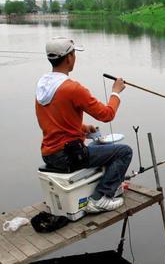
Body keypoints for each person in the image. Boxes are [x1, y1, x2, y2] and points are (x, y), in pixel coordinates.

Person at [35, 36, 132, 214]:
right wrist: (116, 92)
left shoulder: (43, 86)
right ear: (70, 57)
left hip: (49, 154)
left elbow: (50, 122)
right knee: (124, 152)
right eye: (74, 54)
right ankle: (100, 198)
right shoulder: (73, 89)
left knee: (98, 145)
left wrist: (83, 129)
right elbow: (107, 114)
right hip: (68, 156)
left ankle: (107, 187)